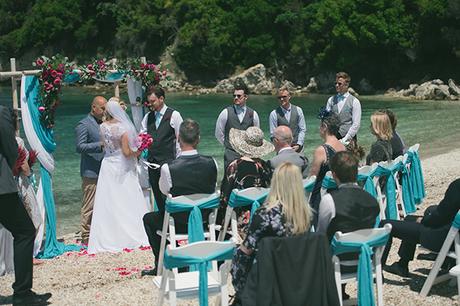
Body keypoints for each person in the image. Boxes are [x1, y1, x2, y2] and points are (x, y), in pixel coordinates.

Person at [141, 119, 218, 276]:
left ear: (178, 138)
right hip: (204, 220)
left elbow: (164, 191)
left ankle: (163, 263)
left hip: (179, 221)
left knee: (149, 219)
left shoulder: (168, 168)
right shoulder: (213, 163)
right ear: (198, 139)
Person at [230, 162, 312, 305]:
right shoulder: (307, 215)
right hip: (298, 277)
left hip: (269, 280)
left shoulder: (264, 215)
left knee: (240, 254)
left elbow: (246, 251)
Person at [0, 105, 52, 305]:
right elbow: (11, 147)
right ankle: (22, 292)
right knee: (24, 232)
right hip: (2, 189)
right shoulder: (2, 112)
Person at [88, 99, 150, 254]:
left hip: (108, 165)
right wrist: (140, 151)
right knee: (127, 199)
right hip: (122, 166)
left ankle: (109, 235)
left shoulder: (102, 127)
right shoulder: (122, 128)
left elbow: (104, 145)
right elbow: (127, 153)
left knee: (109, 200)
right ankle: (129, 234)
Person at [381, 178, 460, 277]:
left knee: (384, 224)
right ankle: (402, 264)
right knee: (409, 219)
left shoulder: (457, 186)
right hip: (454, 239)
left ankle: (375, 272)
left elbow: (441, 216)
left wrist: (423, 220)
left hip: (440, 238)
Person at [317, 151, 380, 240]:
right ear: (357, 173)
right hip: (365, 248)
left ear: (334, 175)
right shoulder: (372, 200)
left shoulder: (329, 200)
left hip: (336, 251)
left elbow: (321, 233)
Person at [219, 126, 273, 228]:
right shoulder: (266, 167)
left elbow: (224, 197)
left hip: (239, 220)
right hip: (262, 217)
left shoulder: (234, 166)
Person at [140, 86, 183, 214]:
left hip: (169, 163)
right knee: (157, 196)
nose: (150, 104)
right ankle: (162, 227)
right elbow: (142, 136)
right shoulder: (148, 117)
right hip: (152, 164)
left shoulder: (174, 115)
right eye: (149, 101)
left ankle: (174, 224)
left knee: (170, 196)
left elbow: (180, 140)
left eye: (153, 101)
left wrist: (179, 162)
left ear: (161, 99)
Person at [75, 96, 107, 244]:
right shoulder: (83, 124)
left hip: (105, 171)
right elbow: (79, 147)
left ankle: (100, 232)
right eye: (102, 108)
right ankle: (86, 237)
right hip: (91, 172)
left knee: (104, 203)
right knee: (89, 205)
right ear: (94, 108)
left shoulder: (105, 123)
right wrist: (99, 145)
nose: (105, 111)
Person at [309, 112, 346, 219]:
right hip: (338, 195)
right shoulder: (343, 147)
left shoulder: (321, 150)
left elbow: (312, 179)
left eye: (320, 125)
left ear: (324, 127)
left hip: (321, 200)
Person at [215, 83, 260, 170]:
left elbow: (256, 135)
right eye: (234, 96)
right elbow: (218, 134)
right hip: (230, 155)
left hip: (248, 155)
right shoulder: (225, 112)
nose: (236, 98)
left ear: (246, 97)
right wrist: (228, 145)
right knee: (229, 181)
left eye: (239, 96)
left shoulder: (253, 114)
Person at [325, 72, 361, 146]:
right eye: (336, 83)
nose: (336, 85)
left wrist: (345, 139)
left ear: (346, 85)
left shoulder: (355, 102)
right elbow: (326, 121)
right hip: (334, 138)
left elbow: (356, 124)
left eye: (339, 84)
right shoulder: (331, 100)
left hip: (349, 139)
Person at [269, 87, 306, 152]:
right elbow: (273, 134)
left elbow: (302, 129)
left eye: (284, 96)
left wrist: (299, 144)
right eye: (279, 97)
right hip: (282, 149)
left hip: (298, 148)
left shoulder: (298, 110)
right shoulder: (274, 114)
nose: (282, 99)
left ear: (289, 96)